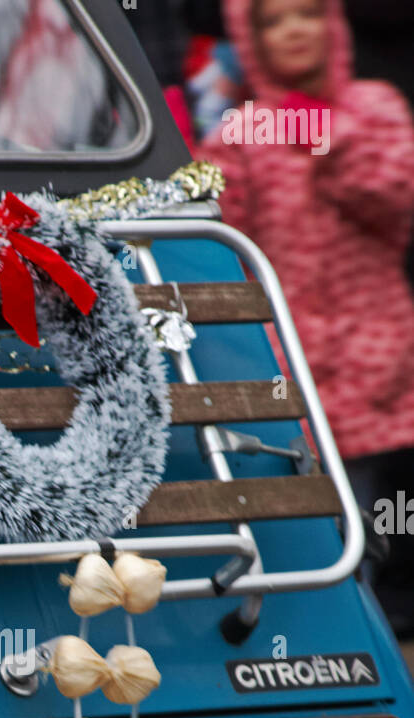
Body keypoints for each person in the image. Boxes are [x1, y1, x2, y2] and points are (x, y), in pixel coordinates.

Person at [199, 0, 414, 636]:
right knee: (287, 532)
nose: (294, 30)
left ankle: (359, 651)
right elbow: (213, 219)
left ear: (333, 25)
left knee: (361, 534)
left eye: (308, 13)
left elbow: (394, 197)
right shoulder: (249, 125)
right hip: (276, 366)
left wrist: (321, 131)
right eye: (273, 21)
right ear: (250, 38)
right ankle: (289, 651)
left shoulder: (371, 107)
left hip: (366, 360)